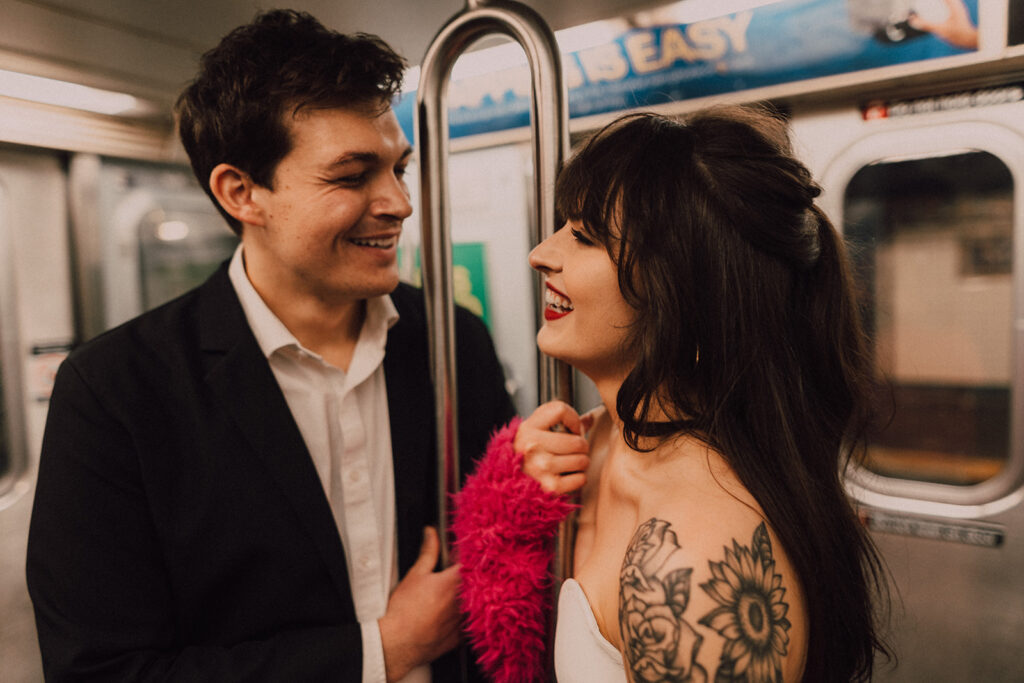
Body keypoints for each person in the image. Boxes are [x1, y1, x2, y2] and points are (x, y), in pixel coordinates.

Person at [26, 9, 514, 682]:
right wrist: (382, 649)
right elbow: (102, 670)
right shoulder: (117, 391)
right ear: (242, 192)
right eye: (351, 176)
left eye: (399, 168)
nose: (399, 201)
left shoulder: (452, 339)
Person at [454, 106, 892, 682]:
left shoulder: (697, 557)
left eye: (584, 236)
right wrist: (507, 495)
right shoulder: (604, 436)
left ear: (679, 294)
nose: (541, 252)